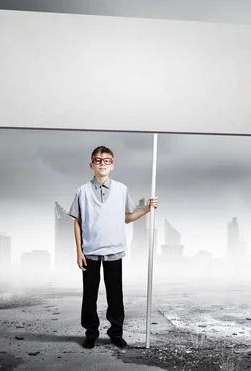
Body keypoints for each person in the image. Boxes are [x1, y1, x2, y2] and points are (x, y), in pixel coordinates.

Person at [68, 145, 158, 349]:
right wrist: (79, 251)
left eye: (106, 160)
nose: (102, 163)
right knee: (89, 295)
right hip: (90, 252)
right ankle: (91, 333)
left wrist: (146, 209)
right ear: (91, 164)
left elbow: (127, 218)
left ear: (112, 165)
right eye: (98, 160)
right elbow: (78, 222)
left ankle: (116, 332)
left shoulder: (121, 189)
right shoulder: (81, 191)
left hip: (114, 250)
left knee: (115, 294)